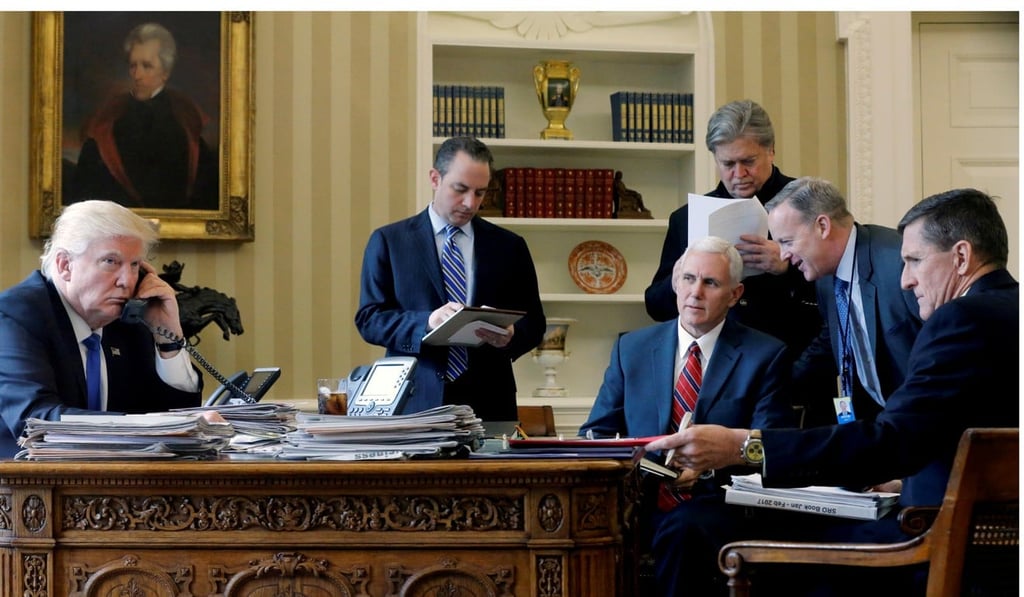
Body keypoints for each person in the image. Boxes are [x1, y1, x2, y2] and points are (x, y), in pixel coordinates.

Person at [644, 188, 1019, 595]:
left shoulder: (958, 319)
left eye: (913, 261)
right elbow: (944, 428)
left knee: (746, 550)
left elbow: (892, 439)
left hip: (933, 536)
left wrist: (745, 446)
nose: (906, 279)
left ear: (961, 257)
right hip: (971, 524)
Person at [580, 236, 796, 596]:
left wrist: (710, 465)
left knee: (682, 529)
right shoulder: (631, 348)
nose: (695, 292)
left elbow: (772, 446)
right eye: (688, 279)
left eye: (710, 283)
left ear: (735, 293)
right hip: (639, 498)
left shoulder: (766, 355)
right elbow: (596, 433)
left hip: (719, 502)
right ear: (675, 283)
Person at [355, 136, 546, 422]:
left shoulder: (509, 246)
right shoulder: (389, 241)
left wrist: (511, 335)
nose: (470, 203)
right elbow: (369, 319)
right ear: (435, 178)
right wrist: (427, 322)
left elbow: (535, 323)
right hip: (413, 402)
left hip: (491, 403)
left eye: (480, 193)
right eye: (460, 189)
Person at [0, 200, 203, 458]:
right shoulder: (15, 316)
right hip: (27, 489)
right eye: (111, 261)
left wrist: (168, 339)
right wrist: (143, 427)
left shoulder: (128, 323)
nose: (127, 281)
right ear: (65, 265)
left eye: (134, 266)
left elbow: (177, 421)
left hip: (117, 489)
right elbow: (37, 423)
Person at [645, 99, 821, 361]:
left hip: (793, 362)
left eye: (748, 161)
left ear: (770, 150)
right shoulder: (686, 218)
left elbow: (842, 292)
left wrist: (787, 268)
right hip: (713, 369)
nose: (739, 173)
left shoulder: (810, 203)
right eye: (727, 164)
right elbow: (656, 307)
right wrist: (679, 279)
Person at [765, 177, 922, 426]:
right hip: (881, 425)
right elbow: (831, 341)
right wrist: (770, 387)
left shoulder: (899, 263)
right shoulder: (825, 276)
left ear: (823, 226)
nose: (783, 254)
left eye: (787, 241)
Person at [70, 22, 218, 210]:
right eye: (133, 66)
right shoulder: (109, 118)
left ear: (165, 72)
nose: (137, 75)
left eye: (147, 66)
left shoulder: (186, 119)